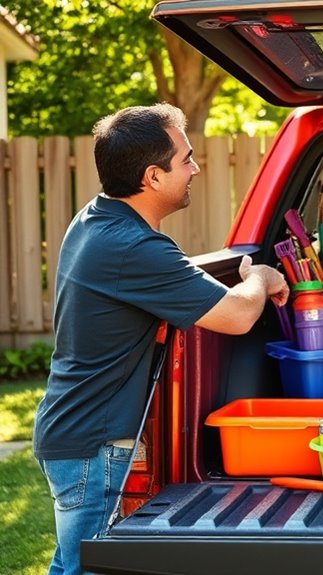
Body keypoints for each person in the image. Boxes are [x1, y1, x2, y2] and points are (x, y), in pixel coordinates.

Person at [33, 103, 289, 575]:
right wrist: (261, 277)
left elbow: (168, 283)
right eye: (186, 159)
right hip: (92, 443)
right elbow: (237, 317)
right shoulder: (131, 246)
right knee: (85, 568)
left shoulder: (98, 219)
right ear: (152, 176)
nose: (195, 169)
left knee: (73, 563)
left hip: (74, 432)